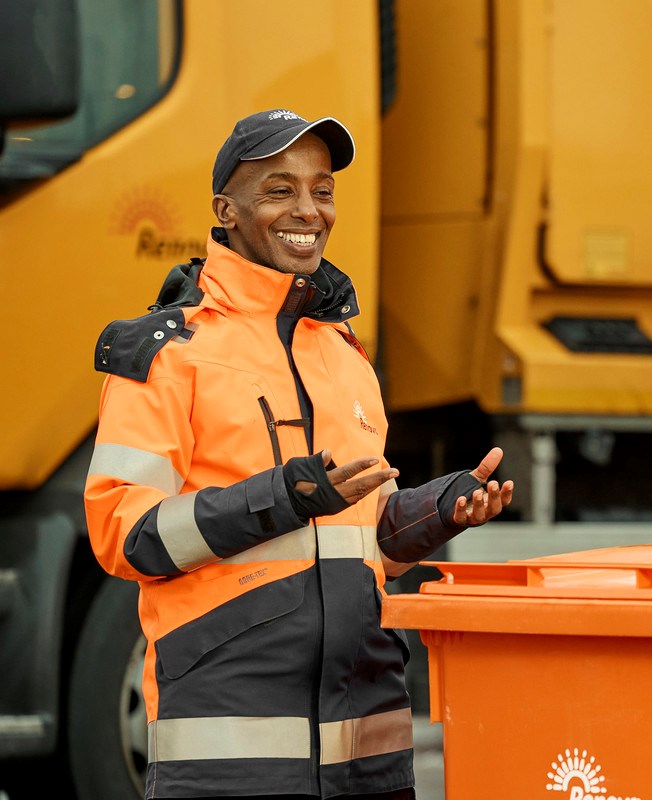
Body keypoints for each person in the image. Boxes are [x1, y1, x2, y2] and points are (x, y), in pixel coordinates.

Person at [84, 109, 514, 800]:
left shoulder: (344, 355)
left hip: (367, 749)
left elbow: (360, 540)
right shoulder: (167, 352)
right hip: (228, 757)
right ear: (226, 210)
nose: (308, 210)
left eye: (322, 189)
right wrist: (283, 497)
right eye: (280, 189)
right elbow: (124, 534)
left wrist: (436, 513)